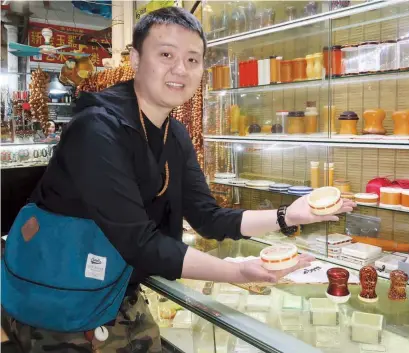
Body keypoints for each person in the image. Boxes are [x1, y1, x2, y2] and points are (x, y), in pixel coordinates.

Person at [3, 7, 355, 353]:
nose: (180, 69)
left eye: (192, 59)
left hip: (114, 287)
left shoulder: (175, 134)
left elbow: (208, 217)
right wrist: (239, 273)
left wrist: (288, 216)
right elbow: (139, 241)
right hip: (59, 298)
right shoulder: (96, 128)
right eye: (166, 54)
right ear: (137, 60)